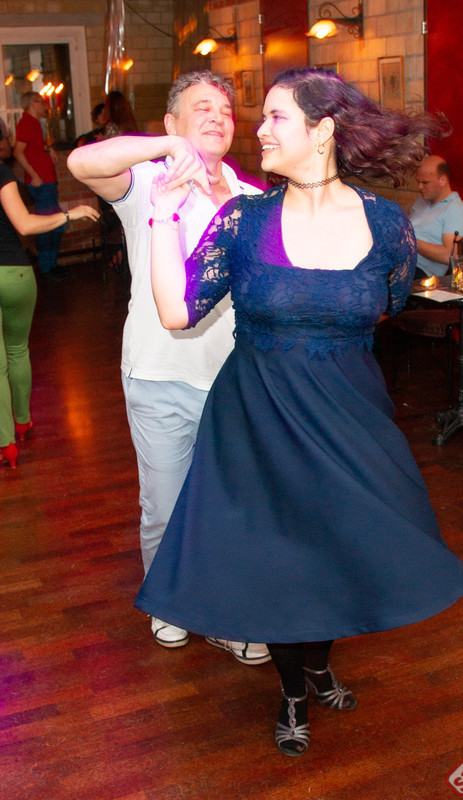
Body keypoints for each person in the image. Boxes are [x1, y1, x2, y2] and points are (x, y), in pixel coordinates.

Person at [135, 67, 463, 757]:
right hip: (256, 418)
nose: (258, 130)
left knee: (333, 546)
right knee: (279, 558)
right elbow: (175, 312)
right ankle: (293, 690)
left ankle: (318, 664)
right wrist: (163, 214)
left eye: (275, 117)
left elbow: (389, 303)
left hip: (348, 415)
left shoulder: (386, 223)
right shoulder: (243, 220)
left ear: (322, 130)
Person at [67, 71, 270, 665]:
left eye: (225, 109)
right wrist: (166, 150)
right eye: (201, 108)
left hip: (233, 380)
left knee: (230, 505)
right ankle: (170, 603)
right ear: (172, 123)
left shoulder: (252, 199)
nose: (217, 117)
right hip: (160, 374)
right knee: (165, 502)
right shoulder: (149, 182)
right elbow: (82, 163)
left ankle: (225, 614)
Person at [0, 159, 99, 468]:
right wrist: (68, 214)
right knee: (17, 350)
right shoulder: (1, 170)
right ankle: (22, 421)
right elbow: (24, 224)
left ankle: (5, 444)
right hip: (14, 273)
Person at [14, 92, 66, 277]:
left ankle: (50, 265)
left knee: (55, 225)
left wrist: (48, 148)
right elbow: (18, 151)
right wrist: (33, 175)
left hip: (47, 181)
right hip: (41, 183)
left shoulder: (35, 123)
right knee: (48, 226)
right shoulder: (26, 123)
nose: (45, 105)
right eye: (41, 102)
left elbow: (33, 147)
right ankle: (47, 268)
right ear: (32, 104)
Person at [409, 155, 463, 278]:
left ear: (443, 180)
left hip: (421, 271)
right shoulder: (422, 202)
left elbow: (450, 255)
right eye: (418, 182)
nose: (420, 187)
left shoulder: (455, 210)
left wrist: (410, 241)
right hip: (399, 261)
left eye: (425, 182)